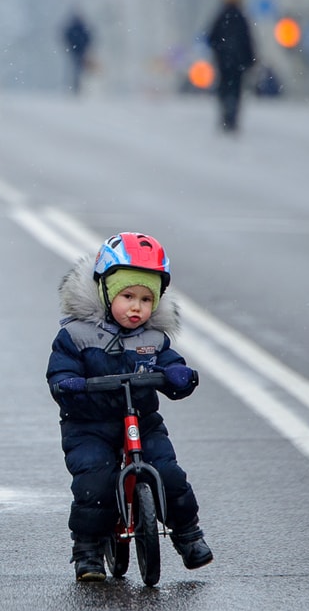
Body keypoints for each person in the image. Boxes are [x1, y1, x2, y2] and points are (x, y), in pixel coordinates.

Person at [45, 232, 213, 581]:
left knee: (169, 474)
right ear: (105, 292)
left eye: (146, 299)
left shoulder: (153, 338)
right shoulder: (76, 335)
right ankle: (88, 551)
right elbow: (60, 371)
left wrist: (178, 375)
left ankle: (188, 535)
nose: (136, 308)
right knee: (95, 483)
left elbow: (171, 365)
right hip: (89, 424)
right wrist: (69, 384)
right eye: (127, 296)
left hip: (142, 420)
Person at [205, 0, 255, 132]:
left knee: (224, 88)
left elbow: (211, 38)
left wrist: (219, 51)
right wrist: (250, 59)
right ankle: (232, 118)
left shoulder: (221, 15)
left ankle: (226, 116)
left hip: (223, 61)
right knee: (236, 89)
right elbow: (248, 41)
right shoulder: (241, 17)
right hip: (238, 62)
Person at [61, 11, 93, 96]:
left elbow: (88, 38)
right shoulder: (80, 28)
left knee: (78, 69)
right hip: (77, 51)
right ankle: (77, 87)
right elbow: (88, 38)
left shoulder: (79, 28)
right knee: (77, 69)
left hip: (79, 51)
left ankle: (78, 87)